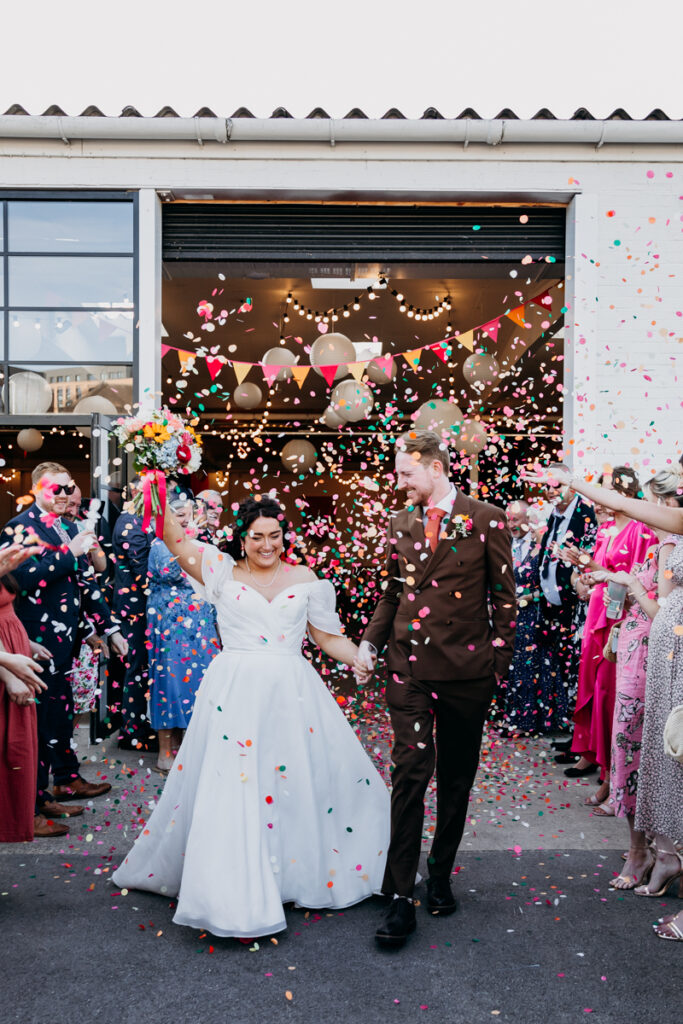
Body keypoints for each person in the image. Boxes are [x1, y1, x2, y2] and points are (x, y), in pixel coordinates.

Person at [113, 494, 389, 939]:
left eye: (275, 536)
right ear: (242, 538)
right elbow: (171, 536)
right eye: (257, 537)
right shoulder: (219, 570)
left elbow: (326, 637)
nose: (267, 545)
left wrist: (357, 656)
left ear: (285, 537)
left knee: (297, 783)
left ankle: (292, 874)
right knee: (237, 786)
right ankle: (236, 886)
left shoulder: (305, 577)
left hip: (292, 692)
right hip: (234, 692)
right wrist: (156, 476)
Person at [354, 429, 516, 948]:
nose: (399, 481)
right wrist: (369, 645)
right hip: (409, 670)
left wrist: (497, 663)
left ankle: (441, 873)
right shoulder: (399, 521)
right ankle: (402, 894)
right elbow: (390, 592)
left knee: (456, 777)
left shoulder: (486, 518)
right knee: (409, 772)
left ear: (435, 468)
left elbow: (505, 599)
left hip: (469, 674)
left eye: (406, 473)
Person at [524, 461, 683, 941]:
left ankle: (662, 854)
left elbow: (619, 504)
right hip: (665, 650)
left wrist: (571, 481)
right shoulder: (666, 534)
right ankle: (663, 851)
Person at [0, 462, 128, 811]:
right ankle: (37, 803)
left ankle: (65, 781)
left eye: (69, 487)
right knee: (38, 725)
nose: (65, 494)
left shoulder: (66, 526)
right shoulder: (19, 528)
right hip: (33, 642)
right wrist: (67, 555)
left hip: (66, 640)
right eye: (56, 488)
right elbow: (21, 580)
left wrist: (108, 627)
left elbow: (86, 581)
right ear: (39, 489)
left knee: (60, 714)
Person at [583, 470, 679, 883]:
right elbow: (639, 609)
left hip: (660, 661)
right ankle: (640, 851)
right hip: (635, 657)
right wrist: (620, 626)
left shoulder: (672, 545)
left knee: (656, 755)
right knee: (628, 752)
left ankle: (662, 852)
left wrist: (628, 585)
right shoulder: (656, 547)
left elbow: (665, 612)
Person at [560, 468, 656, 805]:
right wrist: (583, 571)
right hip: (598, 614)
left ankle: (611, 778)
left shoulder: (640, 530)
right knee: (596, 689)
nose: (597, 500)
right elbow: (596, 573)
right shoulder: (603, 532)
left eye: (602, 491)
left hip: (621, 619)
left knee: (612, 693)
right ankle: (598, 760)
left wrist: (600, 575)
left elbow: (638, 578)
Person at [147, 495, 220, 774]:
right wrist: (190, 539)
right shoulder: (160, 545)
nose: (187, 520)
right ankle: (165, 754)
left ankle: (188, 749)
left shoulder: (198, 542)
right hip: (171, 623)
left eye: (190, 515)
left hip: (199, 623)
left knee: (199, 683)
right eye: (180, 516)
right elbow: (173, 572)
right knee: (170, 684)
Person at [536, 463, 597, 736]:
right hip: (553, 609)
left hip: (578, 607)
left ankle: (581, 742)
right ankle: (572, 736)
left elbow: (589, 561)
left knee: (578, 674)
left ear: (571, 484)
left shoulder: (586, 513)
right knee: (562, 673)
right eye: (546, 486)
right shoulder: (554, 515)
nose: (551, 491)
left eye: (557, 485)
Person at [0, 542, 54, 840]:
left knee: (19, 747)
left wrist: (27, 644)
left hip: (13, 654)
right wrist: (8, 673)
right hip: (5, 667)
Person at [112, 479, 153, 750]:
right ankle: (131, 732)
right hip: (134, 609)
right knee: (136, 668)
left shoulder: (138, 520)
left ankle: (137, 724)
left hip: (138, 607)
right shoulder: (131, 523)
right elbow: (144, 573)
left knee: (140, 668)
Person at [496, 500, 543, 734]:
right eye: (508, 519)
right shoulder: (504, 544)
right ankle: (507, 715)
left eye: (515, 519)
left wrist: (527, 598)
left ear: (528, 519)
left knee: (524, 668)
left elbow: (549, 587)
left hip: (529, 615)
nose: (510, 524)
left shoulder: (538, 547)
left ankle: (524, 722)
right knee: (506, 665)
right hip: (504, 615)